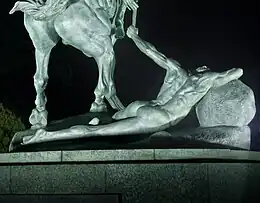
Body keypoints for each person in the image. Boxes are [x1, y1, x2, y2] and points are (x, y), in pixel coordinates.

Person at [22, 26, 243, 145]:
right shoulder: (207, 80)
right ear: (205, 70)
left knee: (111, 121)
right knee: (97, 132)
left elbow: (152, 52)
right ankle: (47, 136)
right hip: (160, 117)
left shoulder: (177, 70)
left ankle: (97, 121)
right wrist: (225, 76)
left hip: (144, 105)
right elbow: (237, 72)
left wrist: (134, 37)